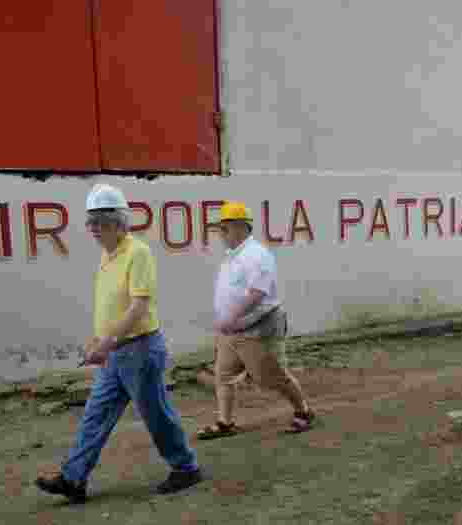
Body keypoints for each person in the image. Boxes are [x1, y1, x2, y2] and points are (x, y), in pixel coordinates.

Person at [35, 184, 202, 503]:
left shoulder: (138, 253)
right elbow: (111, 304)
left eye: (98, 222)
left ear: (117, 222)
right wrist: (100, 342)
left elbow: (138, 306)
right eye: (90, 223)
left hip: (139, 349)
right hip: (116, 352)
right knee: (95, 414)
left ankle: (185, 468)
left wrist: (107, 343)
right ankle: (74, 479)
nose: (92, 229)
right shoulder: (108, 256)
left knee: (156, 414)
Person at [197, 201, 317, 440]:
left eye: (225, 228)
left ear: (241, 227)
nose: (222, 233)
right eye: (221, 228)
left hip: (256, 329)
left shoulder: (257, 255)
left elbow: (257, 293)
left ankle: (303, 411)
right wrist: (225, 320)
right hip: (232, 331)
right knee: (224, 375)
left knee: (271, 376)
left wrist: (230, 317)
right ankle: (225, 422)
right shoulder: (233, 256)